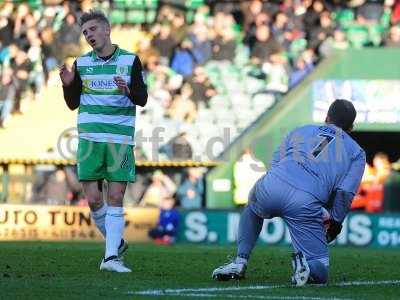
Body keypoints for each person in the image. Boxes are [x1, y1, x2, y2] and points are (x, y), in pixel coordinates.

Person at [212, 99, 366, 286]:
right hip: (306, 200)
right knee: (320, 270)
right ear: (351, 127)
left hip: (273, 184)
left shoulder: (300, 130)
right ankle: (305, 267)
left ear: (327, 117)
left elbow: (275, 163)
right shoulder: (356, 152)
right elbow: (344, 193)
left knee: (252, 208)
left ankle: (240, 262)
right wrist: (335, 221)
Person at [59, 10, 147, 273]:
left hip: (119, 138)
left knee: (116, 195)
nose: (89, 35)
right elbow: (73, 103)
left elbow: (142, 98)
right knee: (94, 200)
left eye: (93, 29)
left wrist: (127, 91)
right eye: (85, 32)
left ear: (107, 30)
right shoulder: (82, 64)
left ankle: (110, 259)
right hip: (89, 138)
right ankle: (116, 243)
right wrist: (67, 85)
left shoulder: (130, 60)